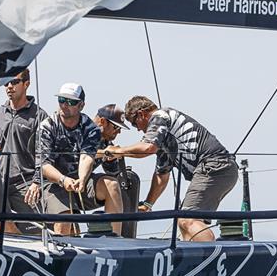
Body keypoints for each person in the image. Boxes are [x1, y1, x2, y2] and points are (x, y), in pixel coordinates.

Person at [102, 95, 238, 242]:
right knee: (184, 220)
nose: (139, 130)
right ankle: (193, 259)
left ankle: (210, 257)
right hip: (220, 169)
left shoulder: (160, 116)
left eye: (135, 124)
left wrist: (118, 151)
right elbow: (162, 174)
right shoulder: (163, 139)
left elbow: (147, 148)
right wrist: (148, 204)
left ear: (141, 114)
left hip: (214, 167)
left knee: (187, 219)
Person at [37, 83, 123, 236]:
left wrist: (82, 180)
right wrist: (63, 180)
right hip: (54, 182)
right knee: (65, 217)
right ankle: (61, 255)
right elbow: (44, 166)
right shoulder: (47, 126)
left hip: (79, 181)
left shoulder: (90, 128)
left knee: (112, 185)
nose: (64, 105)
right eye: (62, 100)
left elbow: (86, 156)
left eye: (70, 102)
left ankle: (114, 241)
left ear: (81, 105)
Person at [0, 69, 48, 233]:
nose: (9, 86)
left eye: (14, 82)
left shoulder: (39, 115)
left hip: (27, 183)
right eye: (6, 83)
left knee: (37, 231)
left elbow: (45, 154)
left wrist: (37, 182)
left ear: (26, 84)